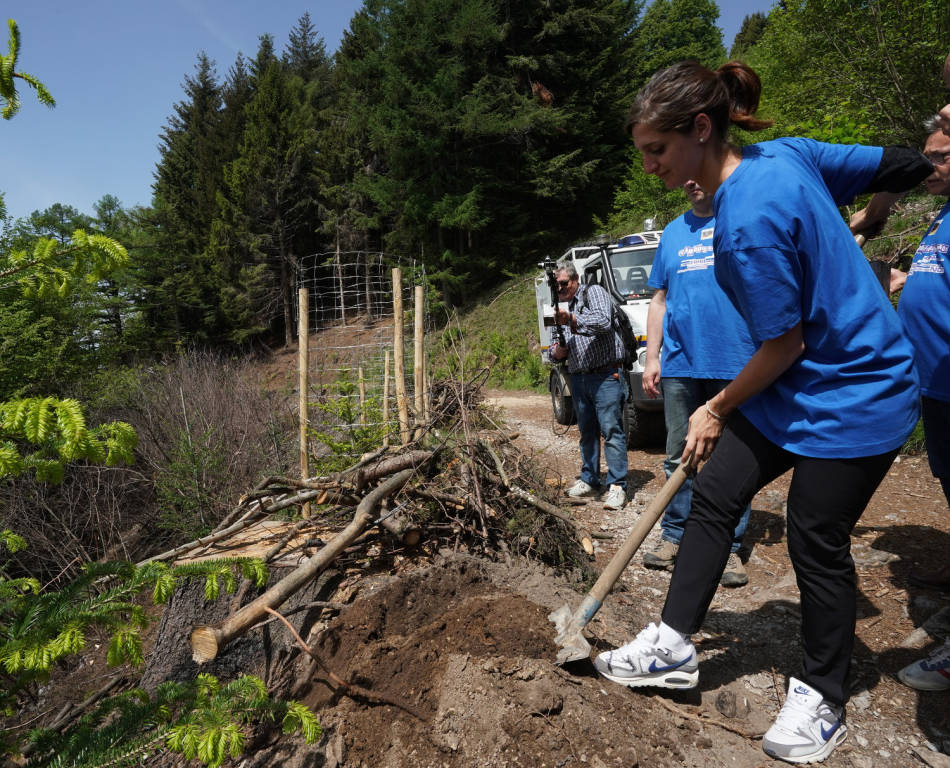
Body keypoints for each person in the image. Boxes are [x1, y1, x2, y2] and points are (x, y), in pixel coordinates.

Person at [592, 60, 931, 765]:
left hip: (856, 390)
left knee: (814, 536)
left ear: (703, 128)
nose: (649, 166)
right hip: (794, 386)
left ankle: (822, 694)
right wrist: (920, 175)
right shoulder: (788, 152)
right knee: (715, 492)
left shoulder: (745, 221)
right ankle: (674, 644)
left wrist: (715, 406)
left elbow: (783, 342)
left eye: (657, 150)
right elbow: (891, 165)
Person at [854, 118, 950, 692]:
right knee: (946, 477)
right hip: (934, 383)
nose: (929, 165)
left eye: (940, 156)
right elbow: (926, 279)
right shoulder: (941, 217)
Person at [641, 180, 757, 587]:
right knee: (678, 454)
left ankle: (727, 546)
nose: (692, 182)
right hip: (679, 364)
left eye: (700, 175)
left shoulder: (741, 223)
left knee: (731, 459)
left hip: (734, 361)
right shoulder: (672, 232)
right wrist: (652, 356)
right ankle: (675, 534)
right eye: (686, 178)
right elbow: (660, 299)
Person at [550, 261, 628, 511]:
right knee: (587, 433)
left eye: (564, 283)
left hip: (605, 375)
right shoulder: (558, 306)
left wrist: (572, 319)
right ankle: (590, 478)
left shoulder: (592, 292)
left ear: (575, 280)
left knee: (611, 430)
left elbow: (603, 322)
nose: (560, 288)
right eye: (557, 284)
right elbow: (554, 347)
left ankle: (617, 486)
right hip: (579, 377)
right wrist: (557, 351)